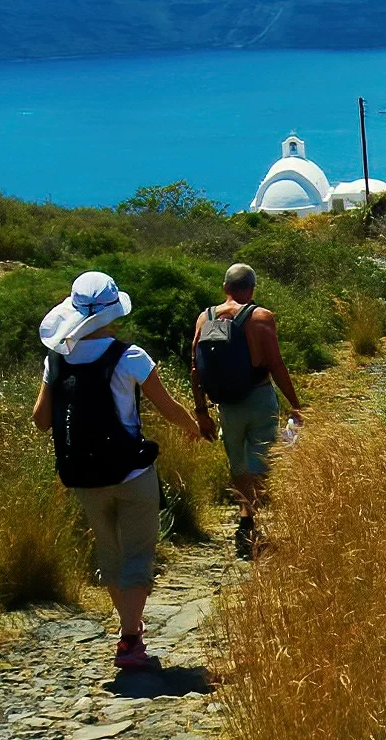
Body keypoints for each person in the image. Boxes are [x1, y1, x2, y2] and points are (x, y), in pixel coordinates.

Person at [31, 271, 201, 672]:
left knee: (110, 554)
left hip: (86, 475)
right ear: (113, 312)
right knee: (139, 555)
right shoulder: (131, 356)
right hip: (133, 473)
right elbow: (167, 407)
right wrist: (192, 426)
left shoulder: (56, 359)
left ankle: (129, 631)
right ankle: (130, 638)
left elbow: (41, 420)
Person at [190, 263, 304, 559]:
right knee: (260, 463)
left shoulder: (207, 318)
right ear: (252, 289)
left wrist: (201, 411)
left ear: (225, 288)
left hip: (226, 404)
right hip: (257, 397)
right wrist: (295, 404)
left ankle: (246, 515)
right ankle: (247, 520)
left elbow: (195, 368)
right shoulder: (260, 317)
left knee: (238, 464)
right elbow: (276, 364)